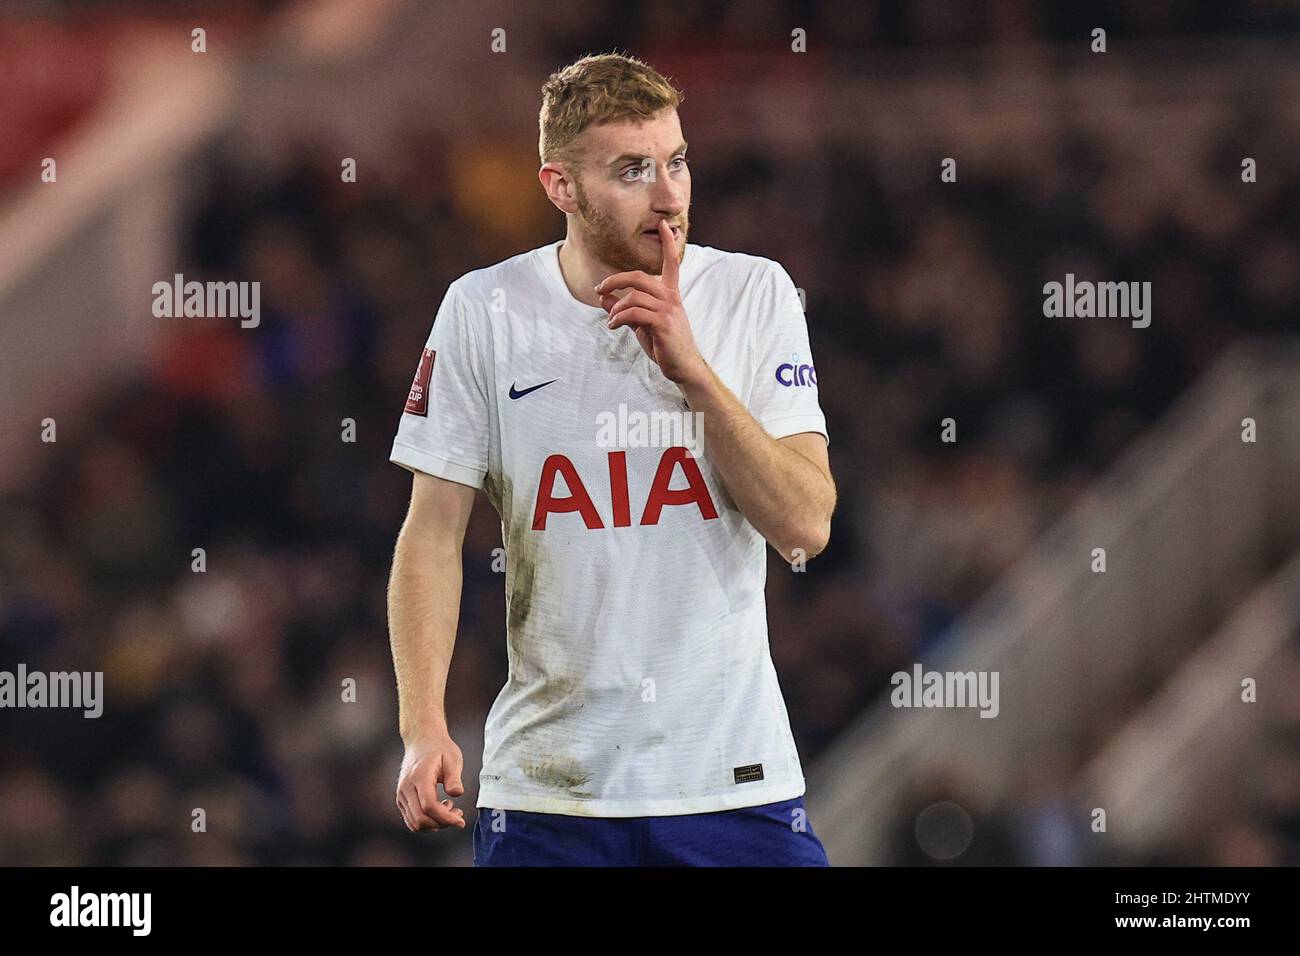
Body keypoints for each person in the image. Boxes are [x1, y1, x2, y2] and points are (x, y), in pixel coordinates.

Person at [387, 52, 836, 866]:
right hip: (550, 793)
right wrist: (421, 729)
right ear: (560, 187)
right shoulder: (483, 312)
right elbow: (430, 534)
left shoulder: (753, 295)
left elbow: (806, 524)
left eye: (677, 162)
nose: (669, 195)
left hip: (730, 781)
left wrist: (694, 372)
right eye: (633, 171)